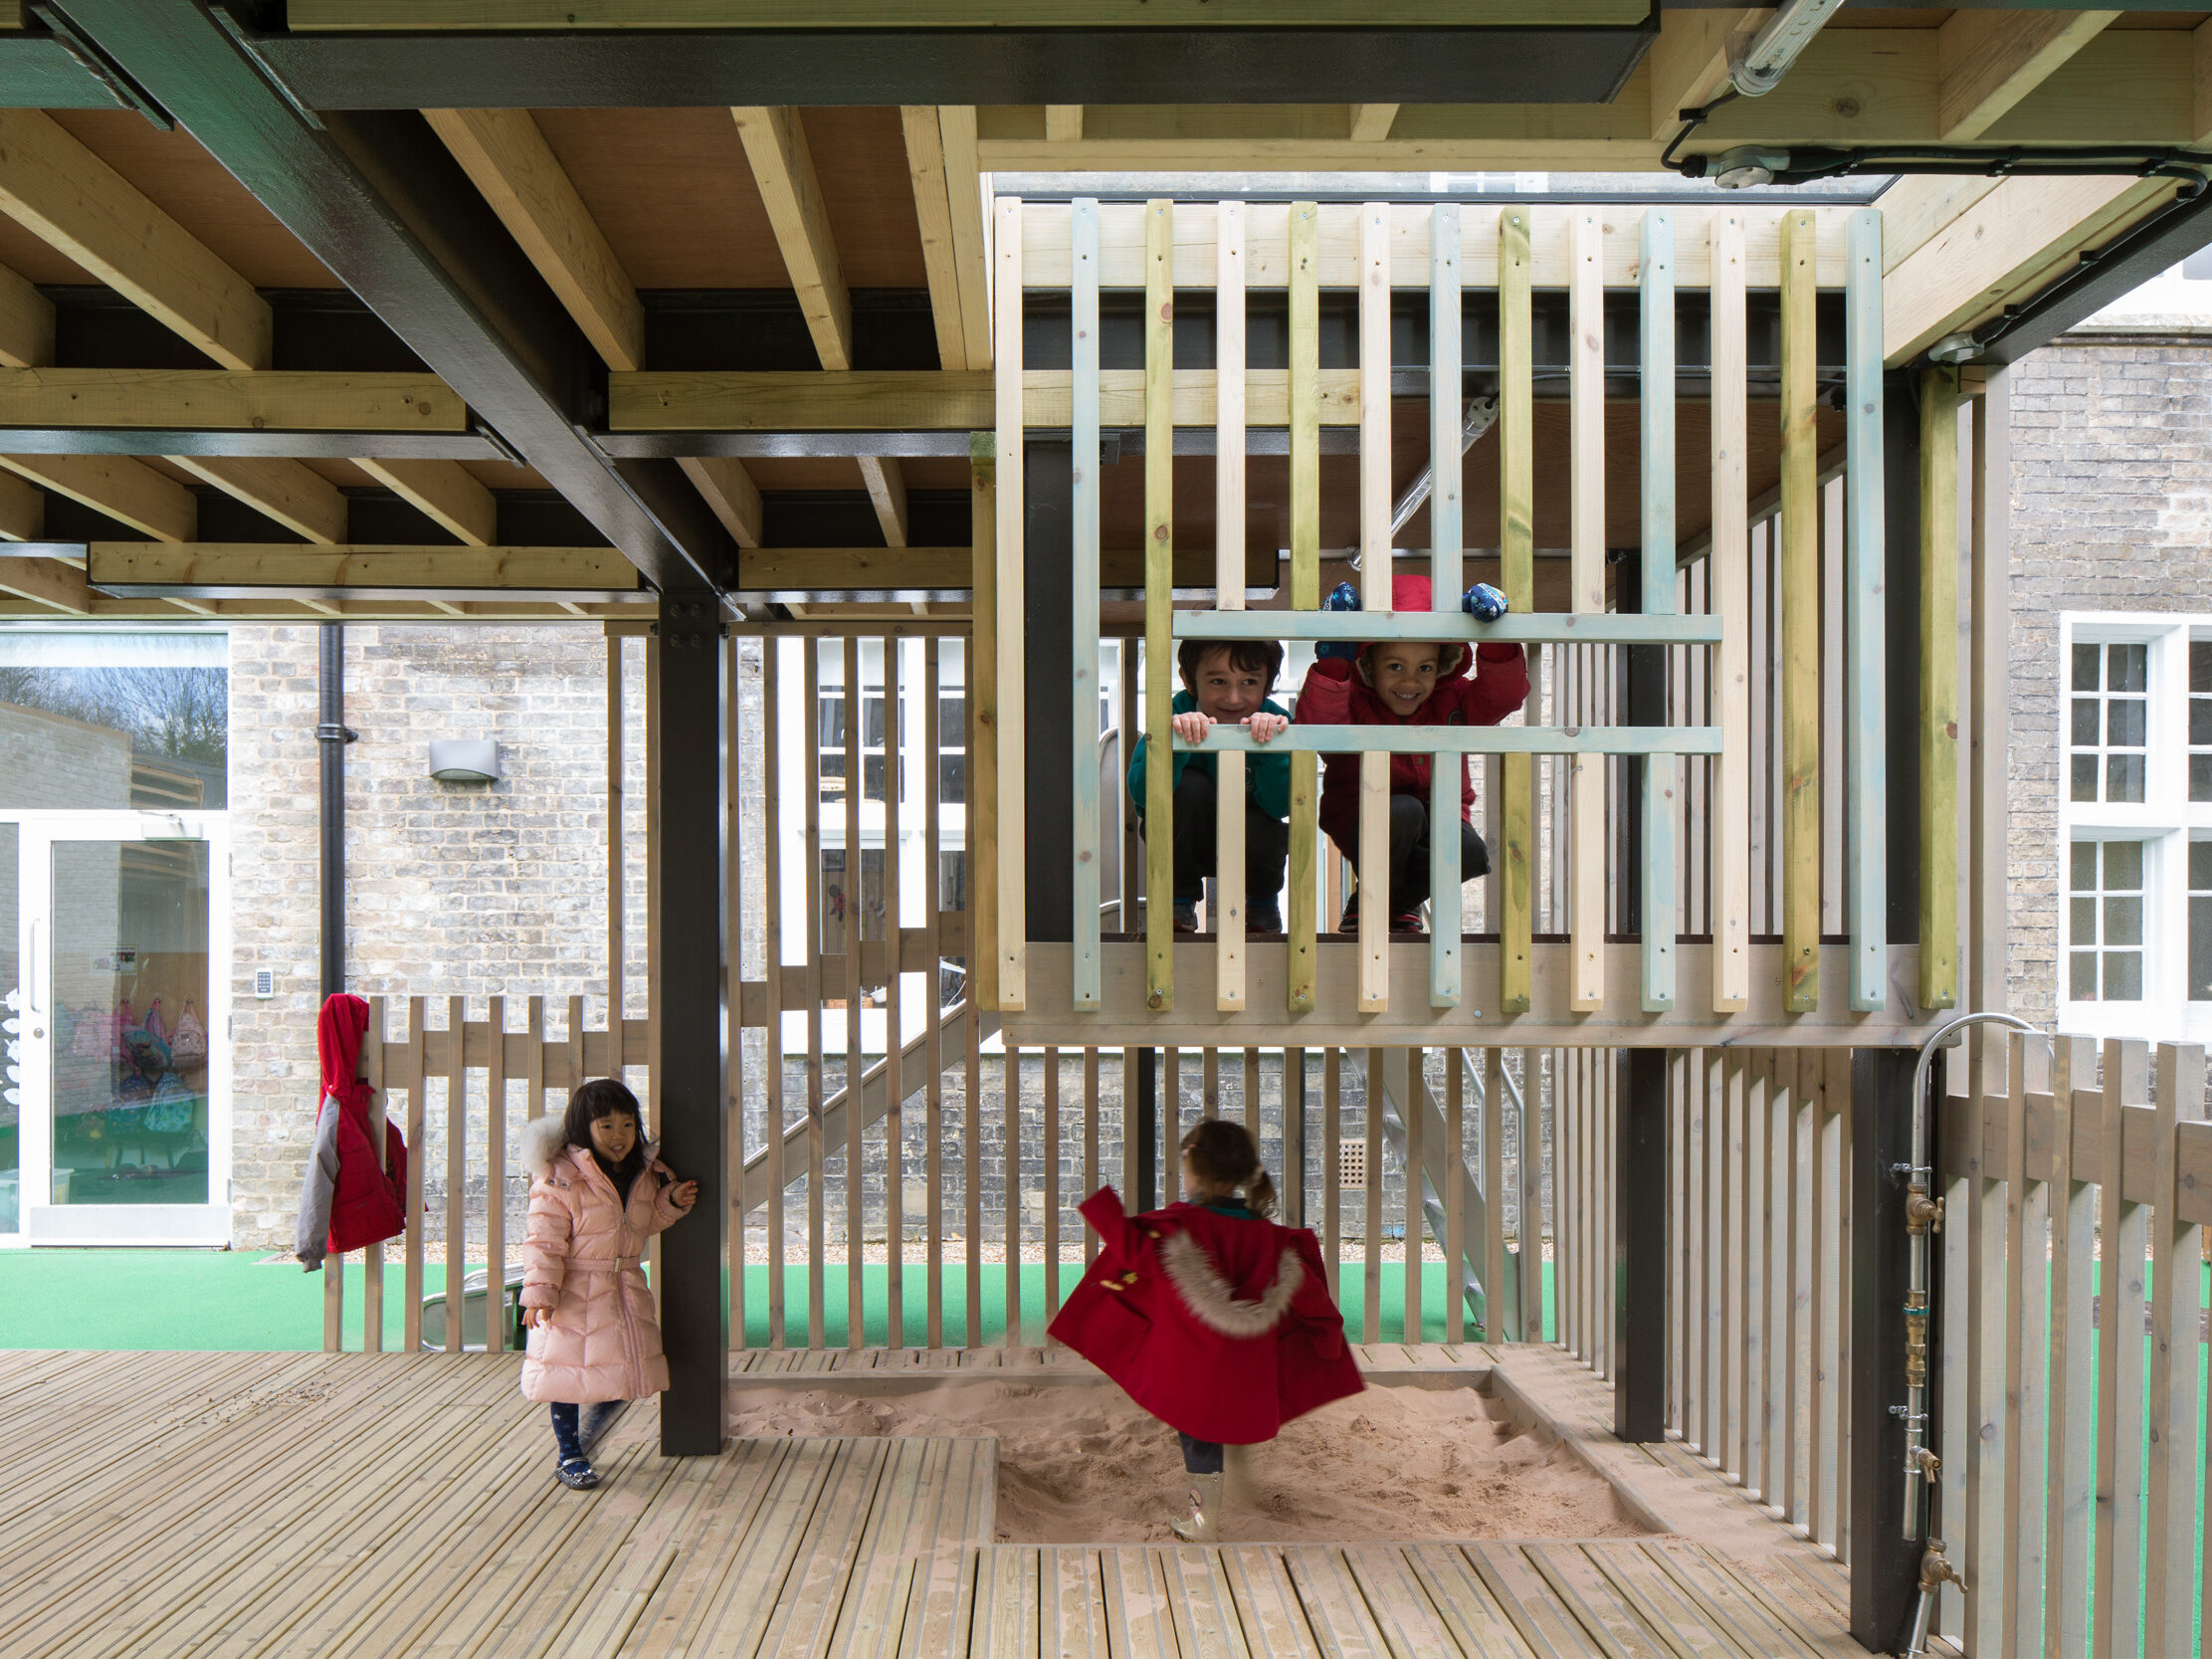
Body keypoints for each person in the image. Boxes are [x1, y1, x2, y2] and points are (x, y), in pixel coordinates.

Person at [1048, 1119, 1362, 1542]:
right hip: (1245, 1368)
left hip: (1192, 1367)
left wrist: (1104, 1211)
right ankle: (1235, 1480)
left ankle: (1202, 1522)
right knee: (1229, 1421)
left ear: (1195, 1167)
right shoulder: (1269, 1237)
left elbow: (1139, 1254)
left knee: (1199, 1440)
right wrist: (1326, 1332)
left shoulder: (1181, 1227)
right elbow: (1305, 1290)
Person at [1293, 572, 1529, 934]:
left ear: (1444, 666)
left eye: (1425, 668)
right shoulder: (1353, 699)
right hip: (1363, 814)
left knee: (1471, 852)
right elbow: (1316, 724)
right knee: (1406, 810)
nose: (1410, 681)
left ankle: (1389, 903)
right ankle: (1389, 902)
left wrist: (1494, 639)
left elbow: (1504, 696)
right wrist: (1335, 659)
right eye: (1395, 667)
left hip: (1440, 816)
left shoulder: (1454, 699)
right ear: (1368, 665)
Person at [518, 1078, 699, 1490]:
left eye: (627, 1125)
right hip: (571, 1288)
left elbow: (639, 1224)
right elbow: (543, 1240)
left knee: (628, 1369)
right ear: (585, 1129)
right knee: (564, 1374)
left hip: (623, 1284)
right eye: (607, 1126)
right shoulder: (560, 1178)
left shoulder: (642, 1172)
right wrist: (541, 1291)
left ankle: (589, 1431)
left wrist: (668, 1204)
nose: (619, 1136)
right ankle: (569, 1454)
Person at [1125, 639, 1295, 933]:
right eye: (1218, 680)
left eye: (1249, 682)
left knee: (1264, 820)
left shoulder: (1275, 722)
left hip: (1250, 845)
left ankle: (1262, 903)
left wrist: (1274, 750)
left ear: (1266, 685)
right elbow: (1143, 798)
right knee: (1190, 786)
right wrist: (1174, 746)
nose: (1233, 698)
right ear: (1190, 681)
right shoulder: (1172, 715)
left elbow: (1282, 805)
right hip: (1186, 839)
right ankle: (1177, 899)